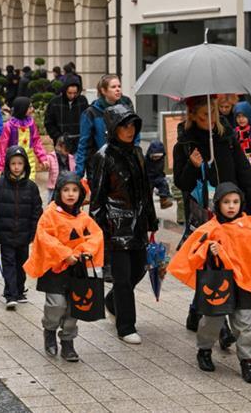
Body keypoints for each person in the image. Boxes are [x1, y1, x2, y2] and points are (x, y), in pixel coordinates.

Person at [168, 183, 251, 385]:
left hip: (243, 284)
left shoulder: (249, 228)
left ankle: (248, 361)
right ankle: (205, 350)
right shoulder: (210, 229)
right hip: (218, 283)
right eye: (226, 202)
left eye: (235, 202)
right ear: (218, 205)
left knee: (245, 324)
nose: (231, 206)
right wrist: (209, 250)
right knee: (212, 321)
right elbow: (194, 251)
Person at [173, 95, 251, 332]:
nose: (212, 119)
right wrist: (192, 166)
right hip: (202, 215)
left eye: (214, 113)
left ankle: (197, 311)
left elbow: (244, 172)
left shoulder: (228, 138)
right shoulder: (184, 144)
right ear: (193, 116)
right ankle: (221, 326)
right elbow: (181, 184)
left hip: (229, 214)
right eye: (205, 116)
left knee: (228, 264)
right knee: (209, 265)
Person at [89, 104, 158, 344]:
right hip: (115, 226)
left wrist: (151, 219)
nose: (129, 130)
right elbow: (96, 198)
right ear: (113, 128)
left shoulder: (138, 152)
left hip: (137, 223)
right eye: (124, 126)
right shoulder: (102, 157)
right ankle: (126, 326)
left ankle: (112, 301)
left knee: (138, 270)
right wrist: (100, 231)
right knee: (122, 277)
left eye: (132, 125)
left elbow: (145, 190)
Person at [24, 171, 104, 362]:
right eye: (66, 190)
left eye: (75, 190)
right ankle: (49, 330)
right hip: (54, 270)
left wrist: (80, 253)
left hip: (77, 270)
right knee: (56, 304)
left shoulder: (83, 219)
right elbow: (44, 238)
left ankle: (68, 341)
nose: (70, 194)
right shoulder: (49, 215)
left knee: (73, 307)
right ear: (58, 192)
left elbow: (96, 236)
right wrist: (65, 254)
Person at [0, 146, 42, 309]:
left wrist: (35, 232)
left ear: (25, 165)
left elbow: (37, 210)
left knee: (21, 263)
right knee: (9, 263)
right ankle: (10, 294)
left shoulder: (31, 187)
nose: (16, 167)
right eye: (13, 163)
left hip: (24, 234)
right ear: (8, 165)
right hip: (6, 233)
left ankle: (19, 290)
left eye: (20, 163)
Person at [76, 75, 134, 179]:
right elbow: (83, 144)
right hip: (99, 166)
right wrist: (78, 173)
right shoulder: (91, 113)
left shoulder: (126, 107)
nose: (118, 89)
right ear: (103, 90)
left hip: (122, 164)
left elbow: (134, 134)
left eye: (119, 86)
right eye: (113, 87)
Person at [0, 97, 48, 179]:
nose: (32, 109)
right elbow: (2, 146)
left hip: (29, 160)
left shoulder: (31, 124)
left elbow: (36, 141)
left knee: (30, 183)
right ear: (22, 108)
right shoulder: (9, 126)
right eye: (29, 107)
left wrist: (42, 158)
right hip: (14, 161)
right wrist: (0, 166)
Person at [44, 75, 88, 156]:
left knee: (78, 166)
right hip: (61, 144)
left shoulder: (82, 101)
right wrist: (58, 137)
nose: (72, 96)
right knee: (62, 167)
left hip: (79, 143)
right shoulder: (55, 102)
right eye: (69, 93)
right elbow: (49, 122)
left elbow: (87, 120)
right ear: (65, 90)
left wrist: (84, 136)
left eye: (75, 93)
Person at [47, 135, 76, 204]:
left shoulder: (71, 158)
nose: (67, 150)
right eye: (65, 148)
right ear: (59, 146)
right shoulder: (51, 157)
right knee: (52, 205)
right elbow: (46, 165)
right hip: (54, 187)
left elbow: (74, 171)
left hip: (67, 185)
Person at [145, 140, 173, 209]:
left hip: (158, 176)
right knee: (147, 190)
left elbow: (160, 170)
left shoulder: (161, 160)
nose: (156, 158)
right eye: (154, 156)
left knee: (163, 184)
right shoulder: (145, 160)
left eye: (158, 156)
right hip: (148, 178)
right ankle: (147, 204)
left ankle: (164, 200)